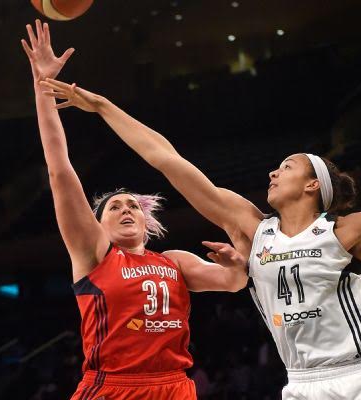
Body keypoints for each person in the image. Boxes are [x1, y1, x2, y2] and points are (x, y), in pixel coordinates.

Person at [39, 76, 361, 400]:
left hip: (358, 377)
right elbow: (166, 160)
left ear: (313, 185)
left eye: (287, 167)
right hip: (300, 382)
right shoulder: (252, 228)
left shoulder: (349, 229)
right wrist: (102, 106)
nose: (273, 171)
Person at [21, 20, 248, 400]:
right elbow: (60, 170)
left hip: (174, 386)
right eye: (114, 207)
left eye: (132, 206)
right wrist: (42, 87)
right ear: (97, 224)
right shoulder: (94, 255)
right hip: (113, 386)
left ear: (146, 221)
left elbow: (233, 283)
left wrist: (236, 266)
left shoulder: (174, 261)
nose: (126, 209)